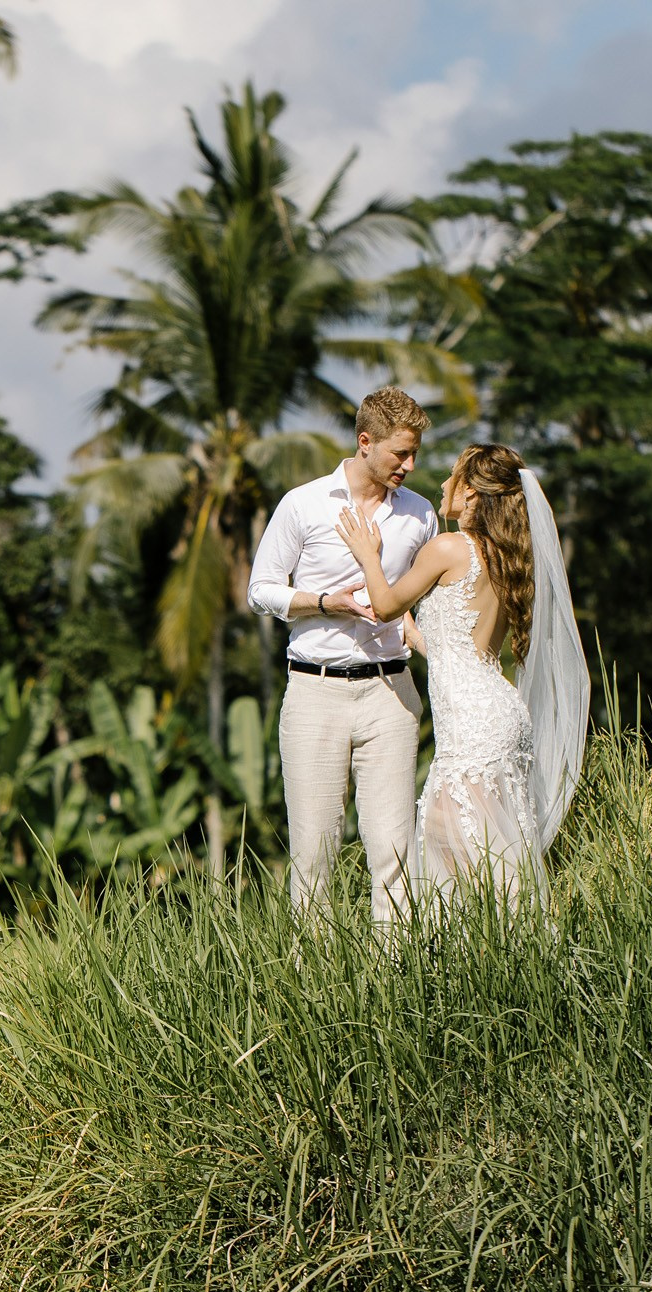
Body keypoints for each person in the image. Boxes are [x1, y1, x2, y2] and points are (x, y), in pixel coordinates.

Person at [333, 442, 588, 904]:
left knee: (458, 845)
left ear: (471, 492)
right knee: (485, 849)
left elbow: (385, 605)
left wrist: (369, 555)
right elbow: (462, 650)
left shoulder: (449, 547)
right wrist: (415, 637)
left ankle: (503, 937)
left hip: (472, 726)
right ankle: (503, 938)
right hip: (500, 711)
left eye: (453, 475)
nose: (443, 483)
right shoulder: (505, 558)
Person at [247, 387, 438, 922]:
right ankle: (316, 974)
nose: (410, 465)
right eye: (400, 453)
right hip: (315, 691)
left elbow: (418, 608)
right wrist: (325, 602)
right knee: (314, 855)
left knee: (395, 852)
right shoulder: (303, 504)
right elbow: (260, 590)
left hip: (391, 693)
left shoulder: (421, 514)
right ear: (365, 442)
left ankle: (398, 969)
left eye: (415, 453)